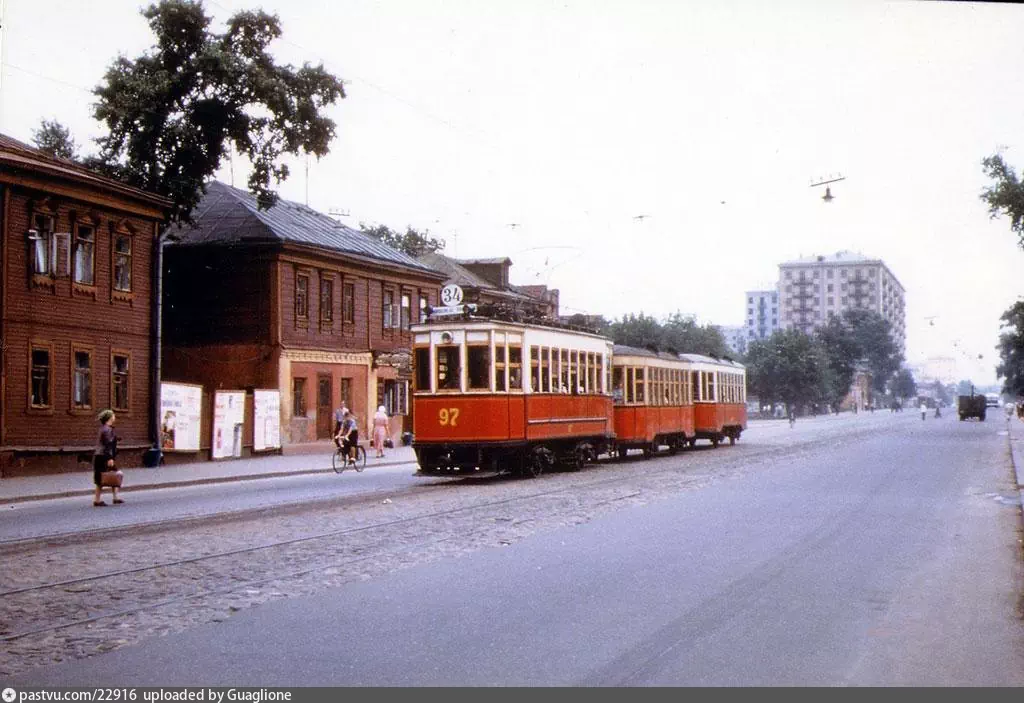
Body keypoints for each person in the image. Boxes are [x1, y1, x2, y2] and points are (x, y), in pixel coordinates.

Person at [93, 409, 122, 507]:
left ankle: (115, 497)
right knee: (102, 478)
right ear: (109, 418)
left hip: (101, 455)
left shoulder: (105, 428)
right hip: (104, 456)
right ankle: (97, 500)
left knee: (112, 475)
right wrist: (110, 458)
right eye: (113, 415)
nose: (115, 417)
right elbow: (107, 444)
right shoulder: (107, 429)